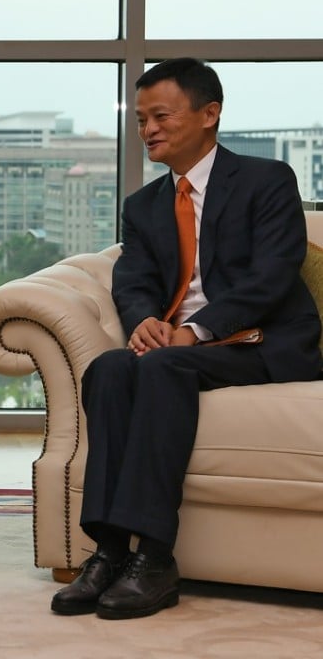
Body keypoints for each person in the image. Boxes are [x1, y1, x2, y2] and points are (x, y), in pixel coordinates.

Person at [50, 58, 322, 620]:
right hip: (178, 348)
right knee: (109, 368)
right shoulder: (144, 206)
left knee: (160, 367)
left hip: (256, 341)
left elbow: (271, 275)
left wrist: (194, 332)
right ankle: (107, 551)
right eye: (141, 118)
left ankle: (154, 558)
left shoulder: (266, 181)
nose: (148, 129)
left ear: (209, 114)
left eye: (161, 115)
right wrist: (147, 321)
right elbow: (133, 280)